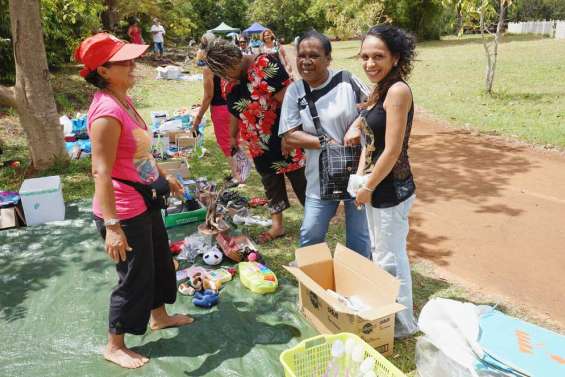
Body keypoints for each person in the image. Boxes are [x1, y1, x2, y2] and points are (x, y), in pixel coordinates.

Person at [74, 33, 192, 369]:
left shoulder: (123, 99)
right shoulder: (107, 112)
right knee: (134, 274)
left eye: (131, 59)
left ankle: (159, 316)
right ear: (104, 70)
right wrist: (112, 226)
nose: (132, 65)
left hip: (144, 199)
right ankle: (114, 344)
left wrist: (163, 176)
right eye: (123, 61)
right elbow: (101, 172)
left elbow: (138, 152)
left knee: (157, 261)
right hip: (122, 209)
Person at [343, 24, 418, 338]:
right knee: (380, 251)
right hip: (376, 184)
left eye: (378, 56)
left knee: (391, 258)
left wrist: (369, 186)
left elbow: (392, 149)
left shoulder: (398, 90)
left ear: (396, 57)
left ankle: (401, 325)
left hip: (391, 188)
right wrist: (361, 179)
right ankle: (390, 315)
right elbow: (371, 136)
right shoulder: (381, 89)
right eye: (365, 57)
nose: (370, 63)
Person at [205, 38, 307, 244]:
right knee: (270, 182)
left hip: (284, 139)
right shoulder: (229, 81)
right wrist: (233, 137)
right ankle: (277, 226)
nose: (225, 78)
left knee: (301, 181)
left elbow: (290, 104)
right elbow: (235, 111)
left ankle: (313, 221)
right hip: (258, 144)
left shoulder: (265, 66)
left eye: (226, 72)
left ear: (234, 60)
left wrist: (291, 135)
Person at [279, 30, 371, 259]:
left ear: (328, 59)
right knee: (311, 234)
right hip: (320, 177)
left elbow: (375, 107)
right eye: (301, 55)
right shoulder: (295, 91)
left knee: (359, 238)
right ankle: (311, 286)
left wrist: (356, 126)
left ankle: (356, 286)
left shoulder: (347, 80)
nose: (306, 61)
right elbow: (290, 136)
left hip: (357, 173)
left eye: (314, 55)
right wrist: (324, 142)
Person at [192, 34, 238, 175]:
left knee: (226, 142)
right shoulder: (229, 62)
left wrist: (198, 117)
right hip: (235, 107)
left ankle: (238, 176)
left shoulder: (208, 68)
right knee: (235, 139)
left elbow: (209, 95)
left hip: (220, 109)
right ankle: (241, 172)